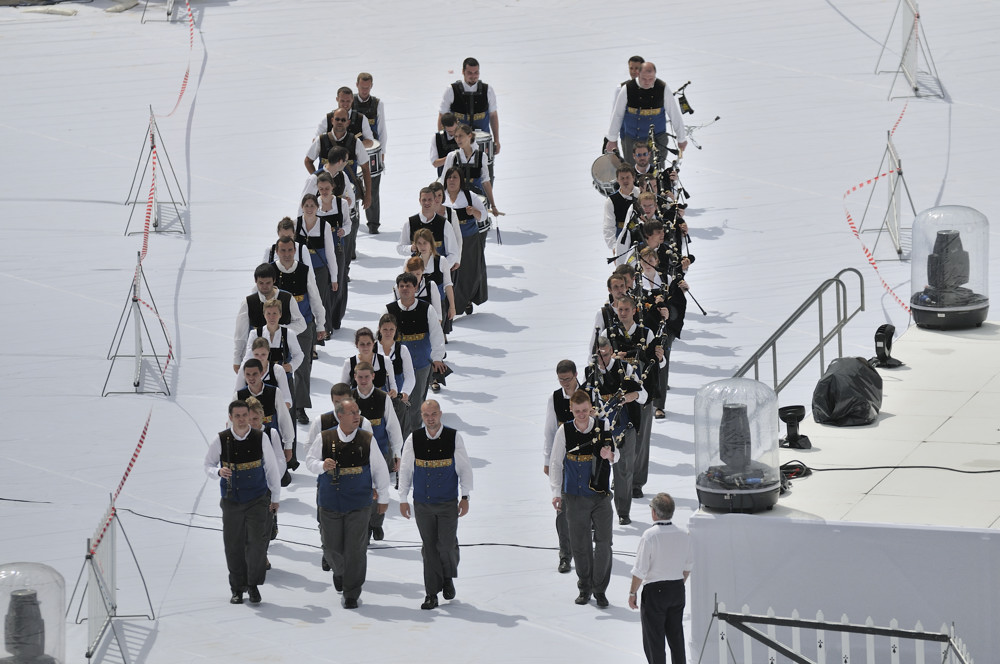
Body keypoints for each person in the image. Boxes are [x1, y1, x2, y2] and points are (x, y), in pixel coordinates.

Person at [305, 397, 389, 609]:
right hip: (330, 501)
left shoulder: (367, 438)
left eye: (357, 412)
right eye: (352, 413)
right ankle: (340, 571)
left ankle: (352, 592)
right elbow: (309, 461)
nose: (357, 416)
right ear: (339, 415)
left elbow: (379, 469)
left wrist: (384, 498)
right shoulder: (325, 437)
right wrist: (322, 465)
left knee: (356, 549)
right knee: (331, 547)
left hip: (359, 502)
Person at [203, 400, 281, 605]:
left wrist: (275, 498)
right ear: (230, 417)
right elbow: (208, 464)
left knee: (256, 543)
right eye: (236, 416)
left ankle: (253, 585)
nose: (241, 419)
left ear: (249, 416)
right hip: (232, 500)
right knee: (233, 545)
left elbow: (272, 469)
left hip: (257, 498)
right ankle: (237, 588)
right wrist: (217, 472)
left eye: (244, 415)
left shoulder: (260, 437)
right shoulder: (221, 439)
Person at [397, 400, 473, 610]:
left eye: (434, 414)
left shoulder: (453, 437)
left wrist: (465, 496)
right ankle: (431, 592)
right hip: (423, 503)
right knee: (429, 548)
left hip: (448, 502)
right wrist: (403, 498)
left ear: (440, 414)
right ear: (421, 416)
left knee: (447, 546)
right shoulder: (414, 438)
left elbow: (464, 468)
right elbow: (405, 470)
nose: (430, 418)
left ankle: (447, 577)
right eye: (426, 415)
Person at [549, 389, 618, 607]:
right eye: (577, 411)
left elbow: (617, 456)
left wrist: (611, 456)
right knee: (580, 544)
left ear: (591, 408)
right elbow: (556, 463)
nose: (581, 414)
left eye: (585, 410)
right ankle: (585, 586)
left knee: (605, 543)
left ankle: (600, 590)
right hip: (575, 496)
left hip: (600, 496)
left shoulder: (603, 426)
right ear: (571, 409)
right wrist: (556, 493)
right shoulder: (564, 431)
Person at [584, 336, 644, 525]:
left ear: (611, 350)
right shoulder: (590, 372)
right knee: (598, 472)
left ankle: (623, 512)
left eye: (606, 354)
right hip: (601, 430)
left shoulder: (625, 369)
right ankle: (598, 514)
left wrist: (630, 396)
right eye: (599, 356)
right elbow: (584, 397)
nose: (603, 360)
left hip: (624, 426)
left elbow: (644, 394)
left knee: (624, 471)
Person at [628, 493, 693, 664]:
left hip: (655, 593)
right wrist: (678, 583)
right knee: (676, 638)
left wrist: (632, 592)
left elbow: (640, 570)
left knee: (654, 642)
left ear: (654, 513)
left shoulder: (650, 535)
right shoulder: (683, 534)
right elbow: (687, 567)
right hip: (677, 589)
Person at [272, 235, 326, 424]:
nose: (286, 254)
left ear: (295, 251)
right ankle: (281, 405)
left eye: (289, 250)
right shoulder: (270, 271)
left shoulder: (304, 270)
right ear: (277, 251)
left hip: (303, 325)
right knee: (278, 367)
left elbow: (314, 295)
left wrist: (320, 324)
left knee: (303, 367)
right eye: (283, 250)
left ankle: (300, 407)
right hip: (276, 328)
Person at [386, 273, 447, 435]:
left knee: (416, 402)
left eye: (408, 286)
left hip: (420, 363)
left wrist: (437, 358)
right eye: (402, 286)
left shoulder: (427, 309)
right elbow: (381, 337)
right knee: (397, 402)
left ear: (416, 288)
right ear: (397, 288)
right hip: (396, 366)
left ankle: (413, 437)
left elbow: (436, 334)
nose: (405, 289)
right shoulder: (389, 310)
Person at [351, 361, 403, 541]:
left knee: (380, 487)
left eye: (367, 376)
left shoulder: (383, 397)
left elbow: (393, 427)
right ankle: (364, 526)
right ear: (354, 377)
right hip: (356, 454)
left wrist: (397, 453)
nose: (363, 380)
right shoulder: (349, 399)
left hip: (380, 451)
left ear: (373, 376)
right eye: (360, 377)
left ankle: (376, 523)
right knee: (363, 490)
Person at [542, 359, 584, 574]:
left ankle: (585, 551)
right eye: (561, 380)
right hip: (565, 462)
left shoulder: (588, 394)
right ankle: (565, 555)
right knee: (562, 509)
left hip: (586, 462)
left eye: (568, 379)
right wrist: (548, 460)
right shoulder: (555, 398)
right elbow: (549, 431)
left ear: (576, 375)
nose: (565, 384)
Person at [606, 62, 688, 168]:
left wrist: (681, 138)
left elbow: (674, 114)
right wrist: (612, 139)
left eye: (651, 79)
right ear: (638, 74)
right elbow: (617, 115)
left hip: (657, 140)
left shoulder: (662, 88)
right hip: (632, 139)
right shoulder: (627, 88)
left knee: (657, 172)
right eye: (644, 79)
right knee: (632, 171)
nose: (647, 82)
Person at [233, 263, 305, 373]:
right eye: (261, 283)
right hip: (256, 362)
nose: (264, 286)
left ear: (274, 280)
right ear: (255, 281)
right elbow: (240, 335)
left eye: (268, 283)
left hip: (282, 360)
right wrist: (237, 360)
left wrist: (278, 330)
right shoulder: (248, 302)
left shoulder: (287, 298)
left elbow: (301, 325)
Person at [438, 56, 499, 182]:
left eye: (476, 72)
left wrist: (496, 140)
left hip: (481, 142)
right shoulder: (451, 90)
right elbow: (442, 116)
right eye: (470, 73)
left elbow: (493, 115)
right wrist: (442, 140)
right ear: (463, 72)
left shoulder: (488, 90)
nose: (473, 76)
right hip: (458, 140)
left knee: (483, 174)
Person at [441, 167, 488, 316]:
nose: (452, 180)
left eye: (455, 177)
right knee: (452, 273)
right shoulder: (442, 198)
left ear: (461, 180)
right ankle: (453, 304)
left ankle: (466, 299)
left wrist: (474, 212)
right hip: (449, 241)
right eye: (449, 177)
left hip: (469, 241)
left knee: (468, 274)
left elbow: (484, 215)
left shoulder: (469, 196)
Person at [235, 358, 295, 475]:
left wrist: (288, 445)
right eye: (248, 374)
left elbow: (284, 419)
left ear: (262, 373)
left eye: (255, 374)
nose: (251, 378)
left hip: (271, 441)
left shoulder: (274, 392)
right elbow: (232, 424)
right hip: (245, 443)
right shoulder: (239, 395)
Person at [439, 124, 501, 216]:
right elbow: (443, 180)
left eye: (461, 136)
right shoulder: (452, 156)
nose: (458, 139)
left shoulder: (481, 156)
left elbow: (486, 182)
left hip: (476, 197)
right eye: (456, 136)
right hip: (457, 197)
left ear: (469, 136)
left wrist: (493, 205)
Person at [353, 73, 387, 234]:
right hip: (353, 151)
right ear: (357, 85)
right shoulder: (349, 101)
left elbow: (382, 129)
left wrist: (382, 152)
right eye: (362, 87)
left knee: (373, 188)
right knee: (354, 187)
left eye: (367, 87)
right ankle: (353, 221)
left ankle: (373, 224)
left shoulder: (377, 104)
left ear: (371, 86)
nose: (365, 90)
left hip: (372, 152)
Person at [377, 313, 415, 440]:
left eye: (391, 329)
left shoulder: (402, 349)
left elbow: (410, 375)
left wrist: (404, 393)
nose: (388, 333)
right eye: (385, 329)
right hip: (379, 397)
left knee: (400, 431)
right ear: (379, 329)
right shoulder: (372, 349)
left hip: (397, 399)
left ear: (396, 330)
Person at [397, 187, 460, 260]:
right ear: (420, 201)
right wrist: (411, 248)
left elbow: (453, 253)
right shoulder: (410, 223)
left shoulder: (444, 224)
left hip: (438, 270)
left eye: (430, 199)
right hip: (416, 269)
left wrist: (442, 267)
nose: (427, 203)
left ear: (434, 201)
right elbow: (400, 248)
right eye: (424, 200)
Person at [341, 327, 397, 396]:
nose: (365, 347)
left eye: (368, 343)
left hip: (380, 401)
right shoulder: (349, 363)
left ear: (373, 344)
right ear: (356, 345)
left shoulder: (385, 361)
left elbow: (392, 384)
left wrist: (394, 391)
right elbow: (343, 387)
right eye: (362, 344)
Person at [603, 166, 641, 255]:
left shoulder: (642, 195)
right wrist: (614, 246)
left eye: (628, 177)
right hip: (622, 242)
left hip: (642, 238)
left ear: (633, 178)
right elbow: (608, 227)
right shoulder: (611, 201)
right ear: (617, 180)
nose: (625, 181)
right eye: (622, 178)